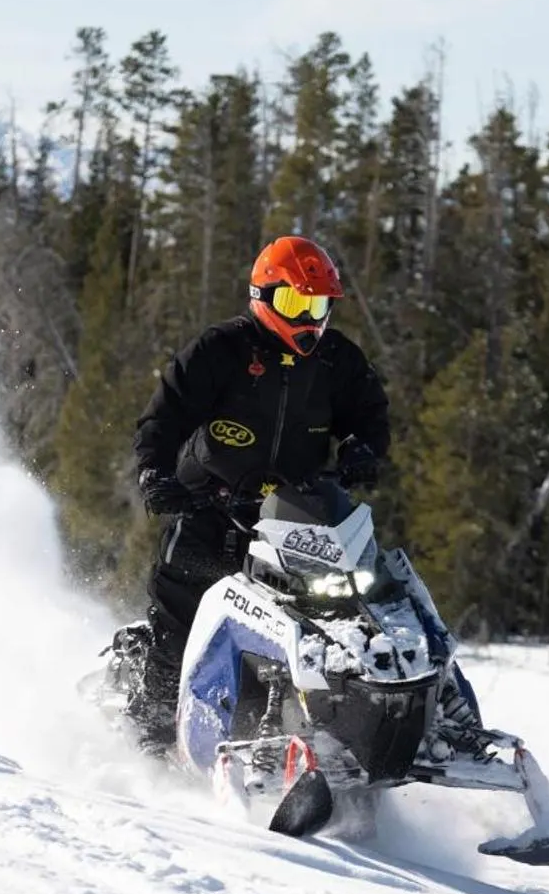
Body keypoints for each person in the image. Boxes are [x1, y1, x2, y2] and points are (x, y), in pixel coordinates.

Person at [113, 235, 391, 751]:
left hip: (297, 519)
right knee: (181, 606)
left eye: (318, 306)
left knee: (346, 621)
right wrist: (156, 472)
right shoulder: (221, 350)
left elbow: (371, 413)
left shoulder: (337, 360)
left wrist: (363, 449)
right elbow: (164, 416)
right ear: (262, 297)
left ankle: (366, 729)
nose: (309, 320)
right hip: (210, 508)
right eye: (295, 304)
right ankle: (148, 736)